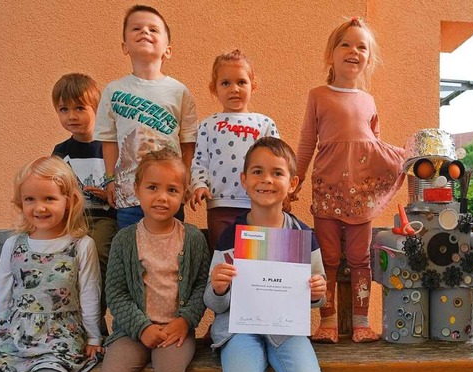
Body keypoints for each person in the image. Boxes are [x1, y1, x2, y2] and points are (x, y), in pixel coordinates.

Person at [293, 17, 406, 343]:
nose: (354, 51)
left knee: (360, 260)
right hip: (327, 190)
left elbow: (378, 149)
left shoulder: (368, 100)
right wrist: (295, 182)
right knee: (326, 259)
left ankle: (361, 323)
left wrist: (403, 160)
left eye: (362, 47)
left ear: (368, 60)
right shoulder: (318, 95)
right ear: (331, 54)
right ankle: (326, 321)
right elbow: (305, 144)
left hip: (362, 196)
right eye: (346, 44)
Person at [205, 137, 326, 372]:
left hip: (285, 329)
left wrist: (317, 291)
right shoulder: (231, 236)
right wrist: (219, 287)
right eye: (257, 172)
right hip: (239, 330)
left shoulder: (302, 237)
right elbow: (212, 300)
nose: (267, 180)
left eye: (277, 173)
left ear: (293, 183)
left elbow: (317, 295)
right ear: (244, 180)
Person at [0, 156, 102, 372]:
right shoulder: (13, 244)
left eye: (49, 198)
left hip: (59, 337)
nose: (39, 207)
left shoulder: (80, 245)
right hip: (13, 335)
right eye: (30, 199)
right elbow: (3, 295)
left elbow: (90, 294)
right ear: (20, 202)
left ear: (68, 200)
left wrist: (93, 337)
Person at [95, 148, 210, 372]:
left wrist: (185, 321)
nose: (161, 197)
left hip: (176, 332)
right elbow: (116, 293)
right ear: (137, 190)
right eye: (152, 187)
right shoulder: (124, 240)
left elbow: (201, 286)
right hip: (131, 333)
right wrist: (141, 327)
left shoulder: (192, 239)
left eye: (172, 189)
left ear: (183, 194)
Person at [94, 4, 198, 230]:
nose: (145, 32)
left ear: (168, 50)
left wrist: (186, 178)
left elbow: (188, 142)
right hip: (129, 193)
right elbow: (109, 140)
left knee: (170, 248)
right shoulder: (113, 91)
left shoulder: (179, 91)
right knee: (133, 247)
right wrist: (110, 179)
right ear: (124, 47)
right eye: (136, 28)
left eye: (153, 29)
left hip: (169, 192)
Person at [190, 49, 280, 248]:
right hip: (220, 204)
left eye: (241, 82)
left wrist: (282, 192)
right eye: (225, 83)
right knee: (224, 255)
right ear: (214, 89)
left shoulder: (264, 123)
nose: (234, 89)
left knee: (258, 256)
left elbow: (278, 162)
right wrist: (199, 185)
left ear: (253, 85)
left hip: (258, 203)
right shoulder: (207, 125)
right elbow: (199, 161)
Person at [51, 72, 118, 336]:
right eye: (64, 109)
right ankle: (75, 324)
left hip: (105, 218)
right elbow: (54, 190)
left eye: (79, 108)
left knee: (97, 254)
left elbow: (126, 186)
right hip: (74, 221)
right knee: (68, 263)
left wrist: (108, 194)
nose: (72, 116)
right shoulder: (61, 151)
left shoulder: (110, 147)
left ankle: (96, 321)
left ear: (97, 109)